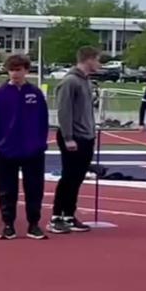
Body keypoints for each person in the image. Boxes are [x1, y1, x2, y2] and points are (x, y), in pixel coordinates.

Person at [0, 53, 50, 240]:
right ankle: (8, 225)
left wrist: (40, 143)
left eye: (19, 70)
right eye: (12, 70)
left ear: (26, 71)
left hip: (33, 149)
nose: (15, 74)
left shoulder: (35, 93)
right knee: (6, 190)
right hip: (6, 150)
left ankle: (34, 224)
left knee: (34, 188)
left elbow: (43, 120)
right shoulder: (0, 94)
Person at [50, 45, 99, 234]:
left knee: (77, 178)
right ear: (89, 59)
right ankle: (56, 216)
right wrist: (68, 137)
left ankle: (69, 214)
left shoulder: (86, 81)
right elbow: (64, 111)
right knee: (69, 177)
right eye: (97, 60)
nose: (99, 64)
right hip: (74, 137)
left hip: (86, 136)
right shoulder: (70, 81)